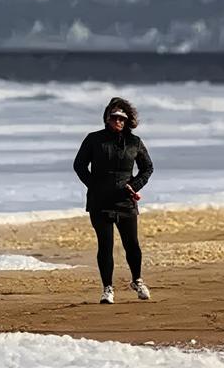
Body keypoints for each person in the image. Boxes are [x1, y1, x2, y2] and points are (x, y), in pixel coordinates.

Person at [73, 97, 154, 304]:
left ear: (127, 121)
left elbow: (147, 168)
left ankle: (137, 280)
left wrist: (134, 186)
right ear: (107, 119)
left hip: (125, 201)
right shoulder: (94, 139)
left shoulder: (134, 142)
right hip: (100, 202)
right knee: (105, 245)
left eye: (121, 118)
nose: (117, 121)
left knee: (132, 245)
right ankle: (107, 288)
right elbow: (79, 165)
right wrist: (94, 185)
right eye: (114, 117)